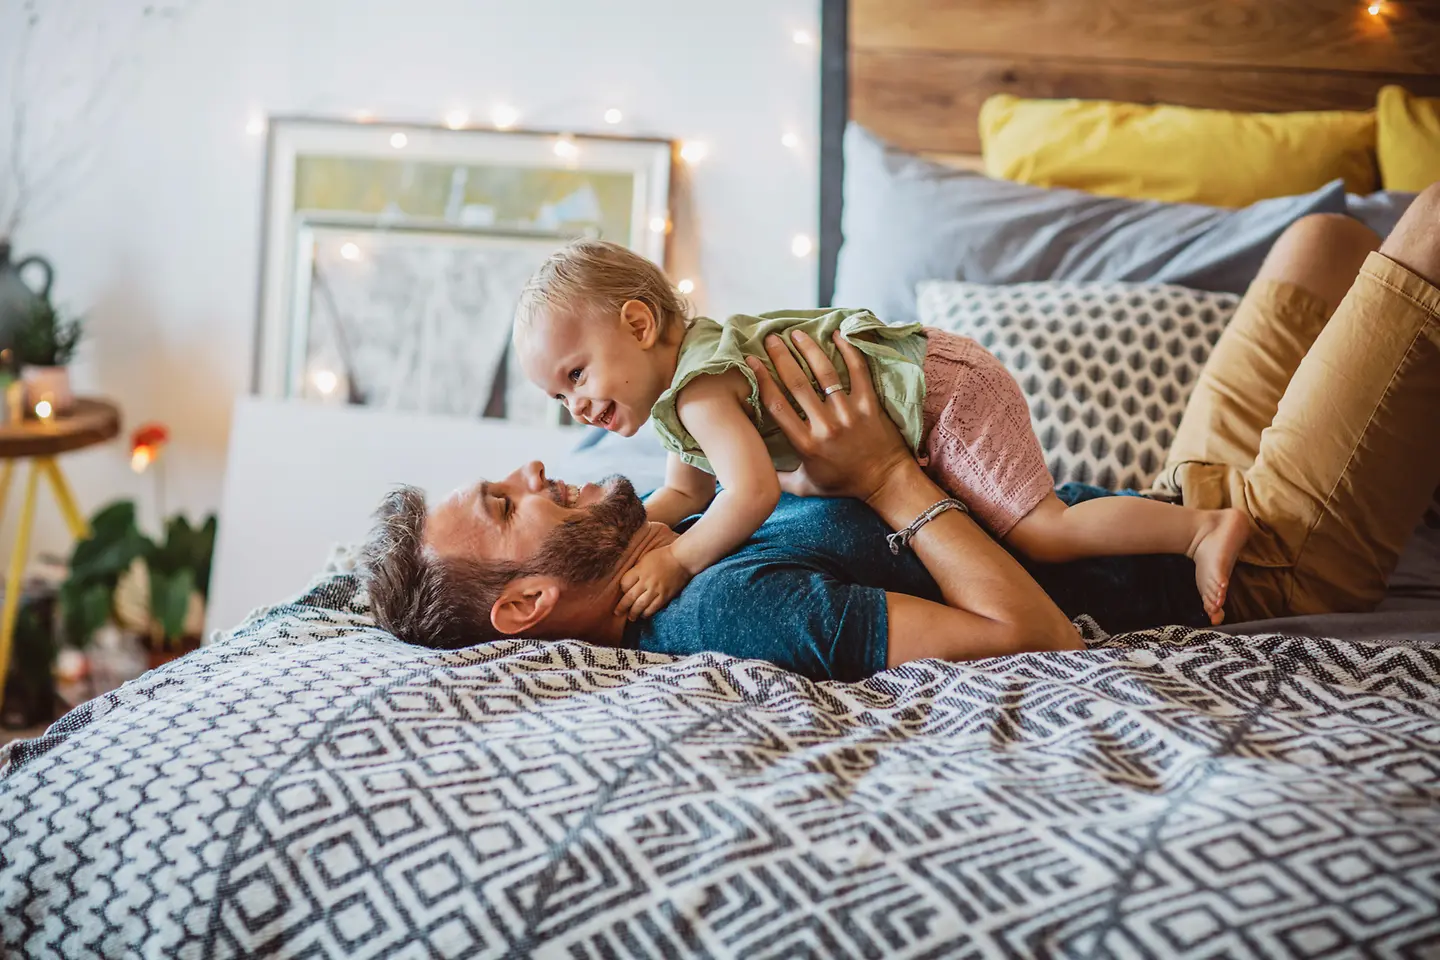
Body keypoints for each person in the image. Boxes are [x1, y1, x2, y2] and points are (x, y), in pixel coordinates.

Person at [360, 187, 1440, 682]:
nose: (540, 463)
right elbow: (1037, 640)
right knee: (1421, 230)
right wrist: (881, 471)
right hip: (1270, 567)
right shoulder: (727, 608)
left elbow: (704, 485)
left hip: (1179, 494)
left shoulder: (670, 520)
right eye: (505, 505)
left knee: (1323, 236)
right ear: (525, 605)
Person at [510, 241, 1250, 626]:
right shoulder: (680, 400)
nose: (573, 405)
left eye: (575, 375)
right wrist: (630, 528)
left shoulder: (701, 387)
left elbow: (753, 490)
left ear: (639, 324)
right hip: (926, 390)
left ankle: (1197, 528)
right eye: (555, 395)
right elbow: (684, 490)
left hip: (940, 392)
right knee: (1007, 529)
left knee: (1043, 532)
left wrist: (681, 563)